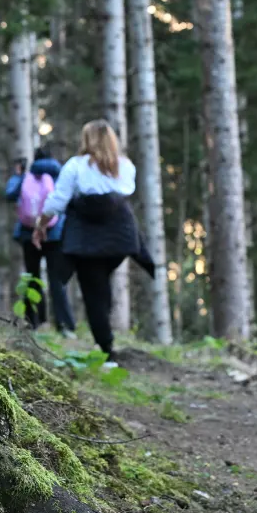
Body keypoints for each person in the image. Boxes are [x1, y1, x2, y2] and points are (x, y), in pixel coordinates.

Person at [33, 120, 155, 364]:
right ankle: (106, 341)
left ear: (86, 139)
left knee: (93, 291)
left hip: (87, 238)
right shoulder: (125, 167)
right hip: (121, 237)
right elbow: (122, 193)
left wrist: (40, 225)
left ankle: (106, 350)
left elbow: (57, 201)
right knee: (100, 286)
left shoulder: (76, 166)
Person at [4, 147, 76, 334]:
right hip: (55, 235)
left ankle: (33, 322)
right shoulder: (59, 175)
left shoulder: (25, 177)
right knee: (57, 280)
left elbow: (10, 195)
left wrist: (19, 175)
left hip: (29, 234)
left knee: (32, 277)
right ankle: (64, 324)